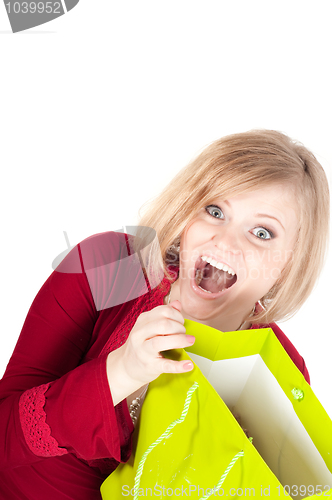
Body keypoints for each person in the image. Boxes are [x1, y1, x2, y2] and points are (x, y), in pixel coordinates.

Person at [0, 130, 329, 500]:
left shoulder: (277, 369)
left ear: (289, 264)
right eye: (215, 210)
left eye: (262, 232)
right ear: (187, 210)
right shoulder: (107, 267)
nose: (225, 241)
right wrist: (119, 372)